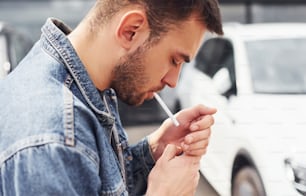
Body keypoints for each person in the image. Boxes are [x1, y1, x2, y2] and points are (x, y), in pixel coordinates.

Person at [0, 0, 223, 195]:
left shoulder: (87, 85)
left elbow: (95, 182)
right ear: (131, 31)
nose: (173, 81)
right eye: (174, 60)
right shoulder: (55, 137)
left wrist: (156, 148)